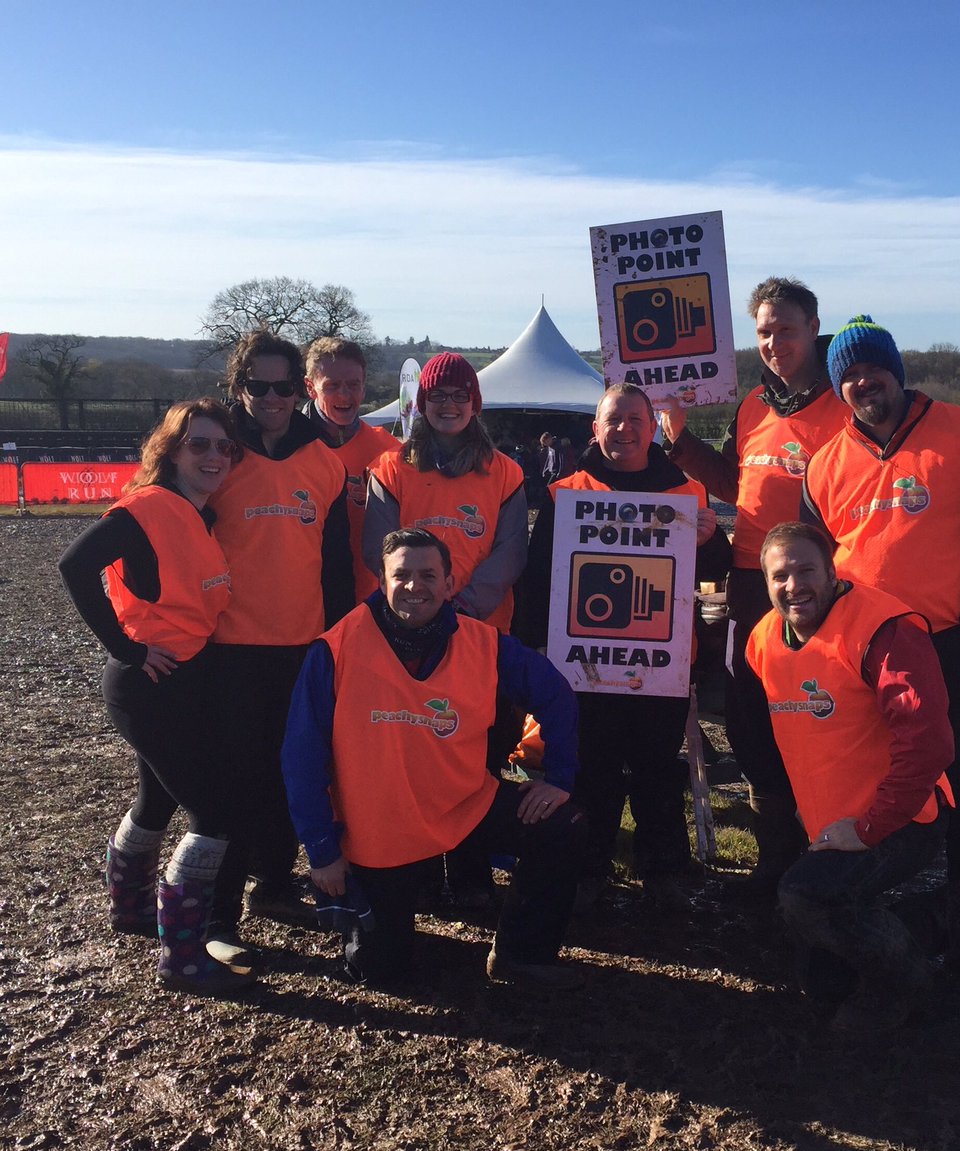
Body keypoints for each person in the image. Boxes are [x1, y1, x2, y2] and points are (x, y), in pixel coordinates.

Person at [802, 315, 960, 977]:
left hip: (945, 644)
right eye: (848, 374)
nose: (862, 381)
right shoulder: (824, 464)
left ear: (895, 369)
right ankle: (868, 914)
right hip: (863, 653)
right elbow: (820, 561)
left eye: (872, 367)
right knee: (876, 783)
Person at [282, 528, 586, 989]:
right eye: (400, 574)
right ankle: (388, 926)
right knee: (381, 972)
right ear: (380, 580)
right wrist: (322, 850)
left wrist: (560, 777)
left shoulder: (485, 644)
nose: (414, 586)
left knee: (563, 825)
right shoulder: (335, 649)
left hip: (463, 806)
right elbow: (301, 755)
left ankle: (521, 954)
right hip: (379, 834)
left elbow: (556, 695)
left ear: (450, 584)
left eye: (428, 575)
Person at [58, 398, 253, 994]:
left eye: (224, 446)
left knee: (156, 801)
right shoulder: (146, 510)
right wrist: (127, 648)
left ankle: (132, 906)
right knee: (217, 812)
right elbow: (73, 565)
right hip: (147, 683)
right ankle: (182, 952)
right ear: (169, 450)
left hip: (177, 678)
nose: (214, 456)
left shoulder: (200, 516)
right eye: (199, 444)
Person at [660, 276, 846, 897]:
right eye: (764, 331)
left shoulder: (843, 407)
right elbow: (732, 483)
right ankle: (775, 850)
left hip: (819, 584)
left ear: (814, 328)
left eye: (785, 329)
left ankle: (830, 846)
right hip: (748, 579)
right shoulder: (752, 407)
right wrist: (678, 435)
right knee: (747, 711)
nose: (773, 341)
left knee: (818, 707)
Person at [518, 384, 731, 909]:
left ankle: (664, 871)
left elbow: (711, 573)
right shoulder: (564, 491)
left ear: (652, 426)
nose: (625, 430)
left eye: (635, 419)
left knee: (657, 769)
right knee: (592, 767)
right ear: (596, 429)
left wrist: (709, 541)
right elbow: (539, 577)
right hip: (584, 668)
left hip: (660, 664)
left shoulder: (687, 492)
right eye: (614, 420)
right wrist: (534, 653)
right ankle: (590, 867)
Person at [746, 523, 954, 1032]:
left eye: (805, 571)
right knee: (821, 981)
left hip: (902, 817)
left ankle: (904, 987)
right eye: (779, 576)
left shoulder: (884, 630)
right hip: (831, 824)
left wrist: (867, 829)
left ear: (832, 570)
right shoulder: (763, 639)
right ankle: (946, 917)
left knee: (806, 897)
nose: (793, 586)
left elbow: (929, 743)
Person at [206, 329, 356, 949]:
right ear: (239, 388)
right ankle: (217, 917)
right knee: (231, 784)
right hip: (226, 649)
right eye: (258, 385)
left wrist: (343, 644)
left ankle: (272, 883)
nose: (272, 397)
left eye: (283, 386)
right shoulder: (216, 456)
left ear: (300, 389)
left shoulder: (324, 461)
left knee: (291, 772)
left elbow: (337, 566)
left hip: (302, 647)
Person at [363, 353, 528, 634]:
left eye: (460, 395)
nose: (449, 404)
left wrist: (464, 607)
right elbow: (378, 549)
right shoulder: (390, 468)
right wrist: (422, 607)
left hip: (481, 626)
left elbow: (510, 553)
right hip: (408, 624)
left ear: (474, 404)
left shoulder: (506, 473)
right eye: (438, 395)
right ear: (423, 402)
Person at [301, 336, 400, 601]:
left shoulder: (387, 449)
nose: (344, 395)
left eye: (353, 385)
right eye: (332, 386)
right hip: (302, 603)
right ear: (311, 388)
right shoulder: (288, 448)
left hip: (370, 601)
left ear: (364, 387)